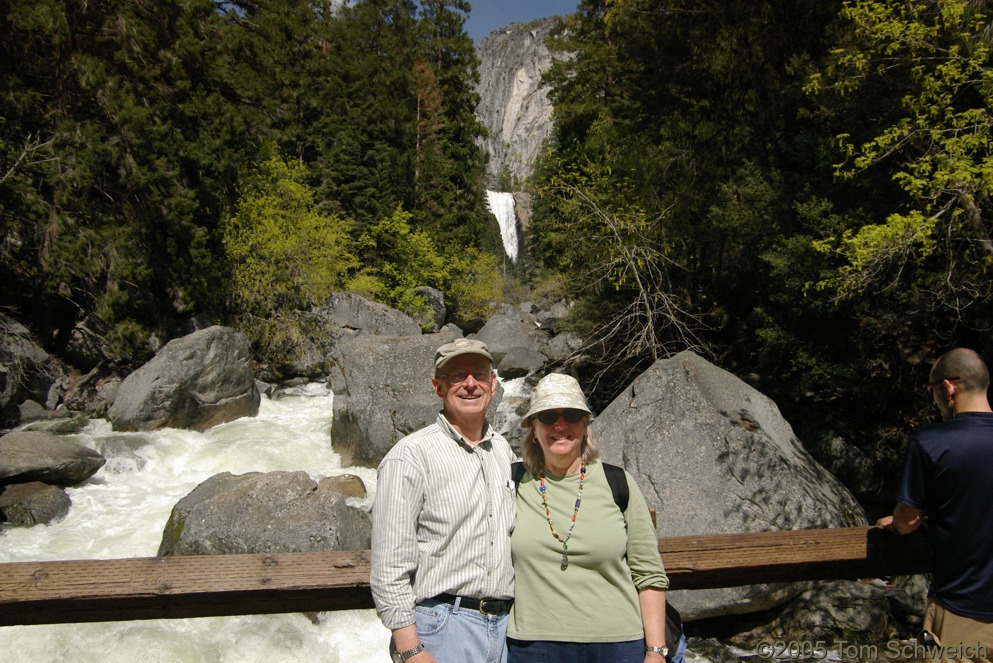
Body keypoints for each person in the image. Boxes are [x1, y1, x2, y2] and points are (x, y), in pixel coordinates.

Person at [507, 372, 673, 663]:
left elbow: (648, 572)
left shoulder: (617, 482)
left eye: (571, 414)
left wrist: (656, 651)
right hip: (534, 645)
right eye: (547, 416)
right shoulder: (512, 482)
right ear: (533, 428)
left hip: (618, 644)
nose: (560, 424)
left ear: (585, 425)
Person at [370, 338, 516, 663]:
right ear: (438, 386)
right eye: (457, 376)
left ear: (493, 383)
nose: (469, 384)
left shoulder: (504, 451)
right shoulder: (410, 455)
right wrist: (410, 650)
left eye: (479, 374)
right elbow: (390, 563)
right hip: (443, 625)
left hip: (507, 627)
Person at [877, 348, 993, 662]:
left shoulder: (931, 442)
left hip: (962, 611)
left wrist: (896, 525)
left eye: (931, 390)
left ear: (949, 387)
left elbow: (907, 520)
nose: (933, 398)